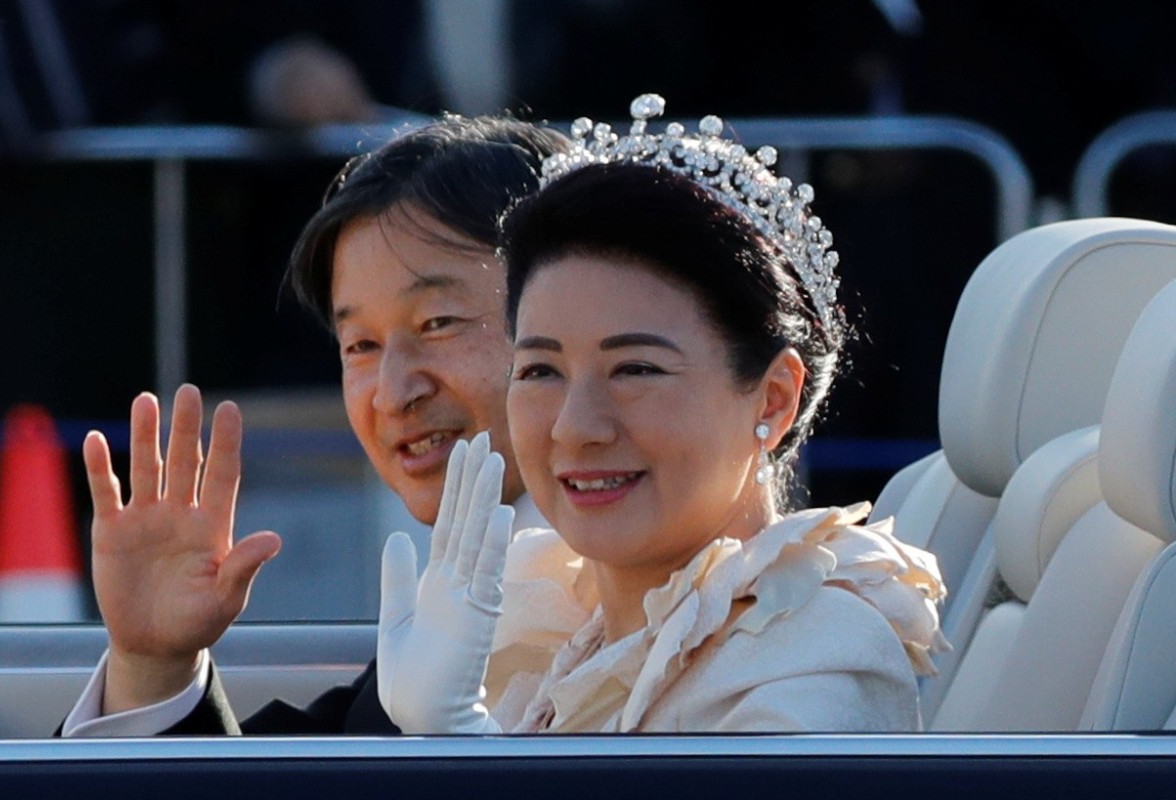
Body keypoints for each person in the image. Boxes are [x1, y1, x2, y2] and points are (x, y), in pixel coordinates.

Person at [375, 94, 949, 733]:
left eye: (636, 370)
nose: (574, 427)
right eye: (540, 370)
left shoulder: (818, 664)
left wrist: (462, 748)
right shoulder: (546, 624)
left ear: (774, 397)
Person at [60, 111, 570, 736]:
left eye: (438, 323)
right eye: (360, 345)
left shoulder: (670, 612)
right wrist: (153, 666)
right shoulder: (443, 626)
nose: (392, 393)